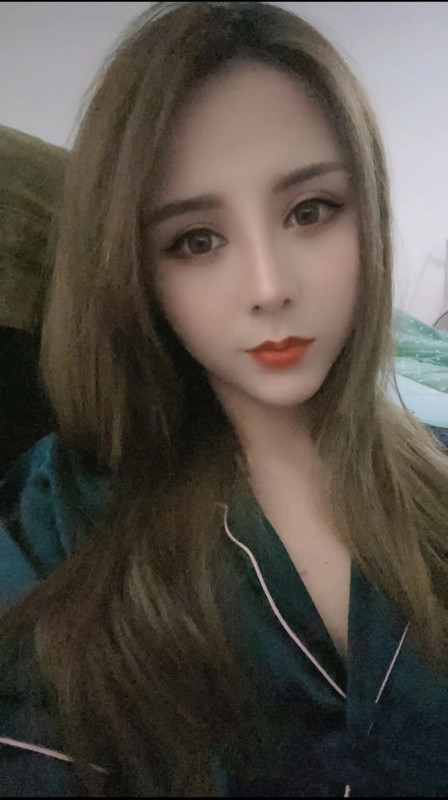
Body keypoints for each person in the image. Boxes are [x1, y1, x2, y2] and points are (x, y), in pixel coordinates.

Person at [1, 2, 448, 796]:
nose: (269, 288)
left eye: (310, 212)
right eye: (197, 240)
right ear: (135, 272)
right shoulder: (60, 520)